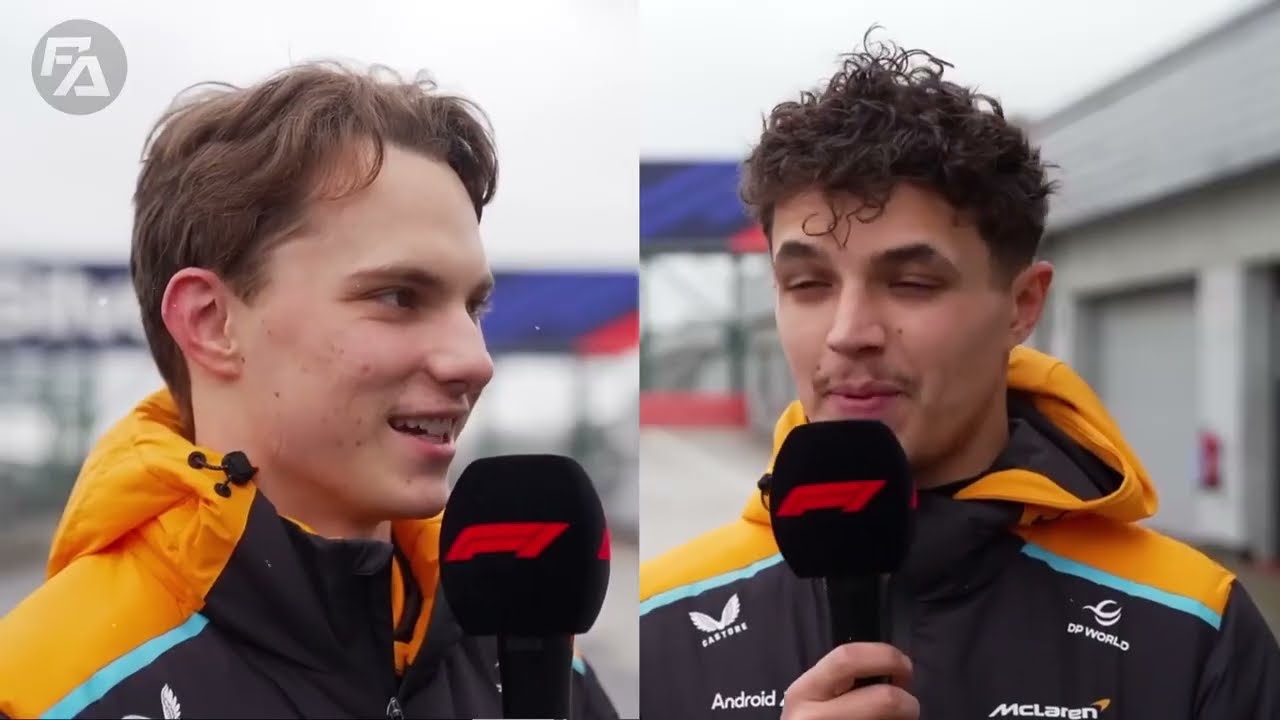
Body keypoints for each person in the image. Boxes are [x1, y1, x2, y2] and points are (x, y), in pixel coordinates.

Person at [639, 32, 1280, 719]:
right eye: (807, 284)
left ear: (1023, 305)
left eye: (912, 282)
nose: (849, 331)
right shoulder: (664, 619)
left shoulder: (1191, 626)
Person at [0, 61, 618, 720]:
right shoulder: (43, 693)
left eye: (474, 308)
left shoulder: (531, 657)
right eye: (398, 297)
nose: (475, 360)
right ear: (210, 322)